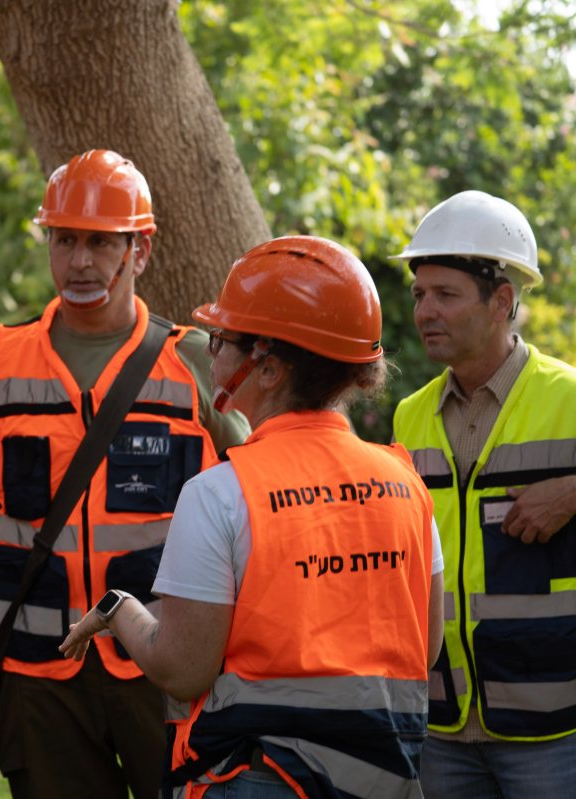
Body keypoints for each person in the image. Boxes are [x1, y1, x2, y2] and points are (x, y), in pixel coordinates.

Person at [60, 235, 445, 799]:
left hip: (257, 777)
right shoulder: (406, 484)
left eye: (221, 340)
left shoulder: (221, 492)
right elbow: (424, 646)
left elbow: (184, 669)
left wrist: (120, 610)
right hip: (386, 779)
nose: (210, 353)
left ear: (267, 368)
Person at [0, 149, 250, 798]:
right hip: (36, 665)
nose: (79, 261)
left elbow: (258, 490)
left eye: (101, 242)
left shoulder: (193, 360)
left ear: (141, 249)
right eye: (65, 239)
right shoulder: (5, 359)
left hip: (162, 664)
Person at [391, 190, 576, 799]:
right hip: (441, 724)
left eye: (446, 295)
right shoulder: (408, 416)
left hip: (556, 725)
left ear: (502, 300)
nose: (426, 311)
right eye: (421, 294)